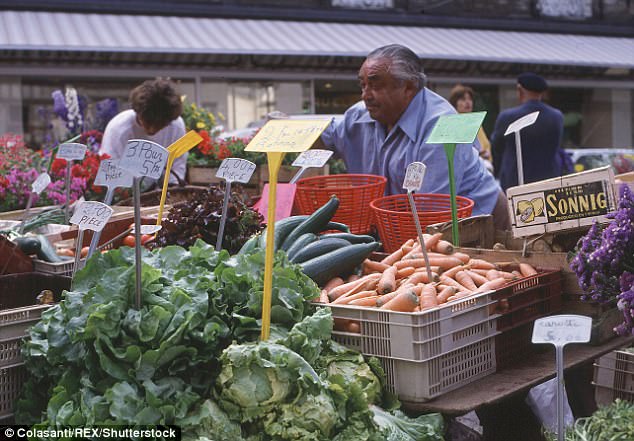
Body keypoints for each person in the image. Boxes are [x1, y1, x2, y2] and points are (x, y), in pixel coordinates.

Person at [320, 44, 510, 230]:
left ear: (408, 87)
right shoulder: (360, 115)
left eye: (375, 85)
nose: (365, 95)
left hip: (479, 219)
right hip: (411, 225)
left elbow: (431, 211)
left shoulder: (441, 123)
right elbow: (324, 136)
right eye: (362, 85)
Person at [100, 78, 186, 187]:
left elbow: (177, 165)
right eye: (147, 122)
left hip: (158, 191)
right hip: (123, 192)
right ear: (137, 113)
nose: (152, 130)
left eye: (160, 125)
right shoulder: (118, 128)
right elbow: (109, 171)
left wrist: (172, 190)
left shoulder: (176, 126)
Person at [490, 73, 565, 191]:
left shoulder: (507, 117)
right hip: (549, 180)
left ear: (519, 90)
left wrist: (498, 171)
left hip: (516, 182)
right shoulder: (557, 116)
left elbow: (496, 148)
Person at [448, 84, 494, 172]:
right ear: (455, 103)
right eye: (463, 99)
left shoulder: (476, 123)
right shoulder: (452, 123)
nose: (468, 102)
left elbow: (485, 145)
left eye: (470, 99)